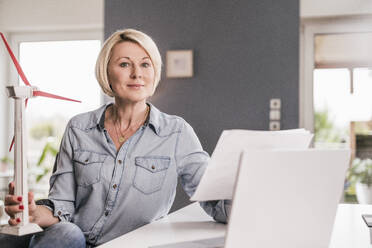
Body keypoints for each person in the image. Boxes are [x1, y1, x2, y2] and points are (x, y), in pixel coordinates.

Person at [2, 29, 230, 247]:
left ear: (154, 72)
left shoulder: (177, 133)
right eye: (124, 64)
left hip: (133, 245)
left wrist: (249, 200)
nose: (137, 73)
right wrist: (33, 212)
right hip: (73, 240)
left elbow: (214, 198)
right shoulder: (79, 128)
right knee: (44, 234)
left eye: (145, 64)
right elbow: (62, 204)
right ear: (106, 72)